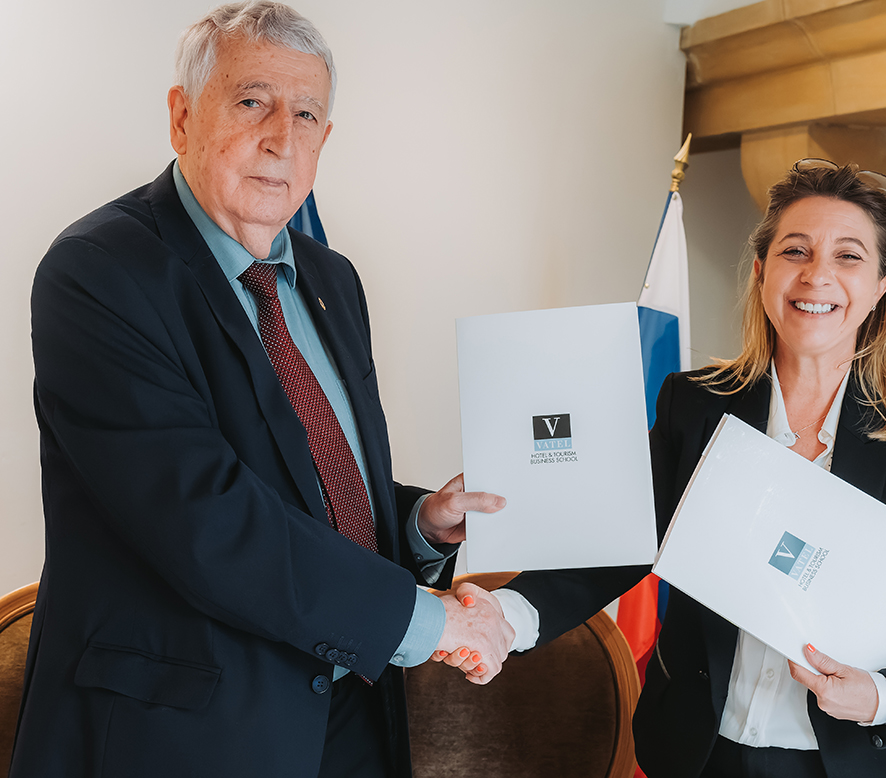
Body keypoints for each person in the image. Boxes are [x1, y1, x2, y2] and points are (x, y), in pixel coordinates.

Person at [11, 3, 515, 778]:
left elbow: (302, 487)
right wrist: (428, 622)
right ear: (182, 117)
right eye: (252, 101)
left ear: (325, 140)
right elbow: (207, 517)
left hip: (350, 717)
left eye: (306, 114)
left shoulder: (332, 280)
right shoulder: (97, 273)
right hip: (181, 739)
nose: (282, 136)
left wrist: (418, 524)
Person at [443, 159, 886, 777]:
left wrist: (883, 696)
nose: (817, 274)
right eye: (795, 250)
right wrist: (507, 615)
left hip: (855, 763)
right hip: (700, 755)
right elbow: (616, 546)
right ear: (762, 272)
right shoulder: (694, 405)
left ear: (881, 286)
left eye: (848, 257)